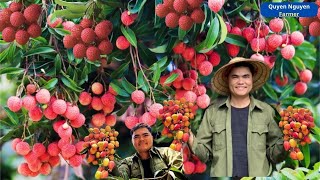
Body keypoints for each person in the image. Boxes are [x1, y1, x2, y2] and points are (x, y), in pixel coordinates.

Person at [188, 57, 287, 177]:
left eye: (246, 76)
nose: (241, 81)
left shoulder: (266, 111)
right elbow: (205, 155)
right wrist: (188, 135)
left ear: (252, 79)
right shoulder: (213, 112)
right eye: (235, 77)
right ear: (227, 80)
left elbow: (274, 155)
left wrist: (290, 139)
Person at [113, 123, 184, 179]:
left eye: (145, 135)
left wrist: (168, 177)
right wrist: (110, 159)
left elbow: (179, 162)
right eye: (136, 137)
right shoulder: (127, 163)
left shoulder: (166, 152)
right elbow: (121, 177)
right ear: (132, 141)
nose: (141, 139)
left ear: (152, 138)